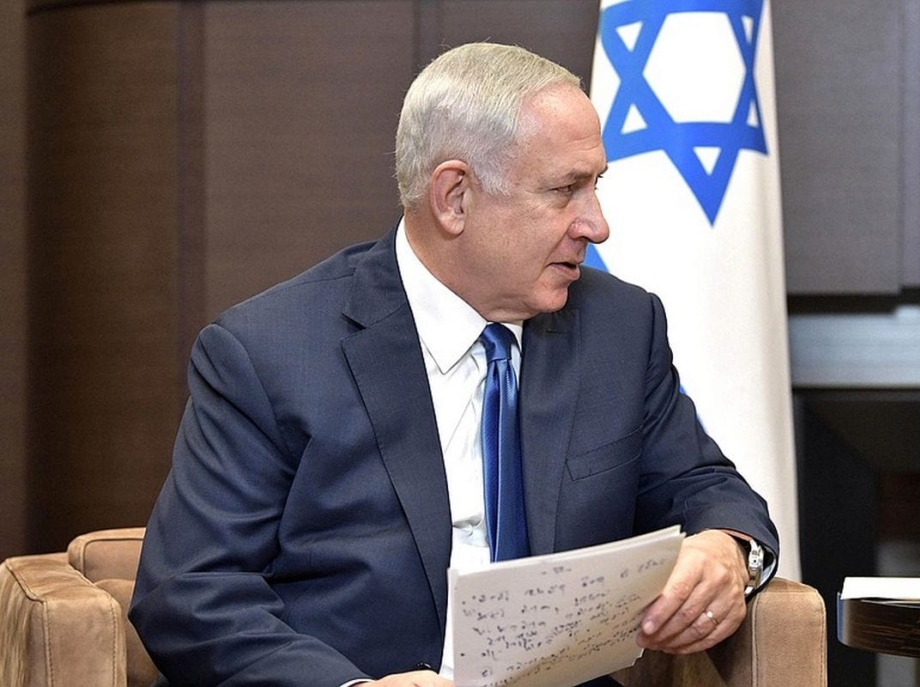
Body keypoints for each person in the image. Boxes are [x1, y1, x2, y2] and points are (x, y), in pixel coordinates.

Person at [129, 42, 778, 687]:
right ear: (455, 197)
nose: (597, 225)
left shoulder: (620, 328)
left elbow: (704, 486)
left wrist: (727, 548)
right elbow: (189, 591)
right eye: (565, 190)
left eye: (595, 185)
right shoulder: (270, 351)